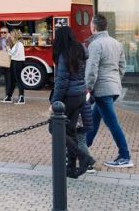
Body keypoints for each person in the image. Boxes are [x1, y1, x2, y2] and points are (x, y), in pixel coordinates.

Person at [85, 14, 133, 169]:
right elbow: (122, 66)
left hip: (102, 90)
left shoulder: (95, 44)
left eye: (90, 24)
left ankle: (125, 156)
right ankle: (83, 149)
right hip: (113, 88)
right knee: (93, 119)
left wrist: (88, 87)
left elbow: (92, 68)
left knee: (112, 123)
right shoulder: (116, 43)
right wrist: (115, 81)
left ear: (94, 27)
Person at [51, 26, 95, 178]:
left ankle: (84, 157)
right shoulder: (80, 50)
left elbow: (62, 81)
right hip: (80, 95)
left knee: (54, 128)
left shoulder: (64, 54)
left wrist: (55, 101)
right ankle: (71, 168)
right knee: (70, 130)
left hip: (69, 96)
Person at [6, 30, 26, 104]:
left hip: (17, 62)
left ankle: (21, 97)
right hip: (15, 61)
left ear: (14, 36)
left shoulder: (18, 44)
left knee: (18, 80)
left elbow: (12, 53)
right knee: (13, 80)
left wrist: (8, 48)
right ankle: (9, 96)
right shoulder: (17, 44)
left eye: (11, 35)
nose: (10, 37)